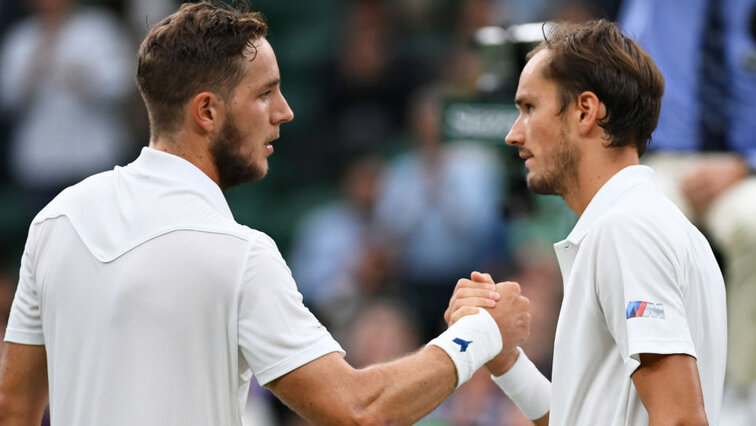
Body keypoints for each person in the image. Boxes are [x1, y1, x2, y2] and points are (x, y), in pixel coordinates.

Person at [0, 2, 531, 425]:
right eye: (266, 94)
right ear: (207, 111)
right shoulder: (239, 254)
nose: (285, 111)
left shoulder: (55, 222)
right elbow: (360, 411)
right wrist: (481, 332)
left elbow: (14, 411)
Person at [447, 19, 727, 425]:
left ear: (585, 111)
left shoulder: (627, 229)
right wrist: (505, 358)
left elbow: (681, 419)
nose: (512, 134)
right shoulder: (642, 224)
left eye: (529, 108)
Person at [619, 1, 756, 420]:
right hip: (662, 160)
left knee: (754, 227)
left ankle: (737, 392)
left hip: (741, 165)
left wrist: (745, 163)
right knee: (643, 228)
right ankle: (652, 395)